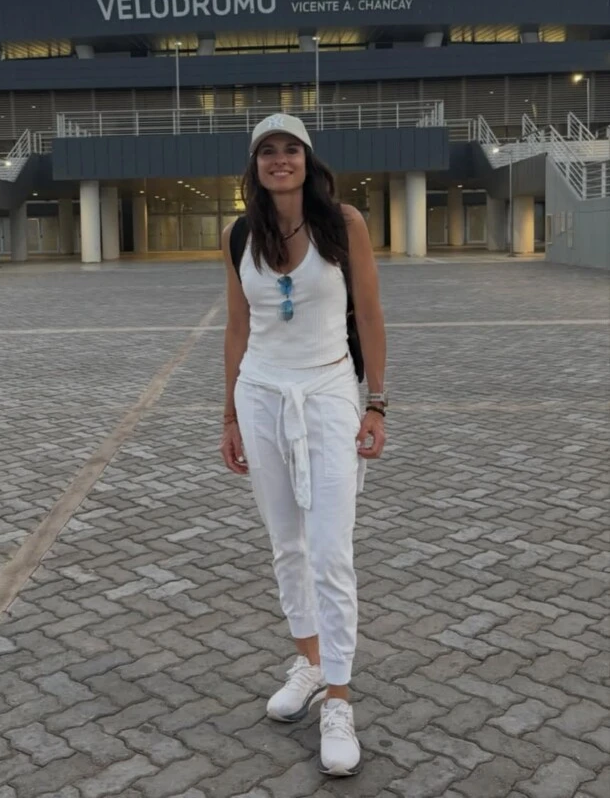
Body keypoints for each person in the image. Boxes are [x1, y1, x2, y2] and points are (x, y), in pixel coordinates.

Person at [220, 113, 387, 777]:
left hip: (327, 393)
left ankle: (339, 698)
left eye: (290, 149)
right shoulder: (239, 234)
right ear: (254, 165)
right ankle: (311, 662)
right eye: (268, 151)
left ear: (309, 161)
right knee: (286, 543)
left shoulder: (342, 224)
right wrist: (228, 414)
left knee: (330, 550)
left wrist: (376, 400)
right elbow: (238, 327)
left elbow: (370, 314)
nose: (279, 160)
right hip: (260, 395)